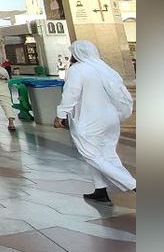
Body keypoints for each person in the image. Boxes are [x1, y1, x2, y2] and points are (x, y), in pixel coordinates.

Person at [54, 40, 136, 204]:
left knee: (92, 155)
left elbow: (71, 93)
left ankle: (133, 184)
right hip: (110, 119)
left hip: (89, 121)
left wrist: (61, 114)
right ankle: (100, 190)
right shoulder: (105, 69)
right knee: (107, 154)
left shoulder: (77, 70)